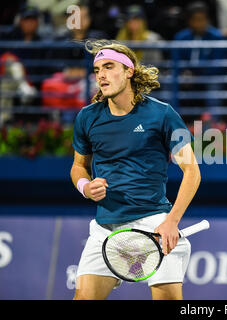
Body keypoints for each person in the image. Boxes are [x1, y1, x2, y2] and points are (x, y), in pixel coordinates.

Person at [70, 39, 201, 300]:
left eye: (109, 67)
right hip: (105, 227)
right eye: (97, 70)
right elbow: (78, 166)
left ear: (129, 71)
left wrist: (171, 222)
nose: (101, 75)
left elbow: (192, 172)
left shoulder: (162, 114)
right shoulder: (87, 117)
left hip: (154, 222)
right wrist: (85, 187)